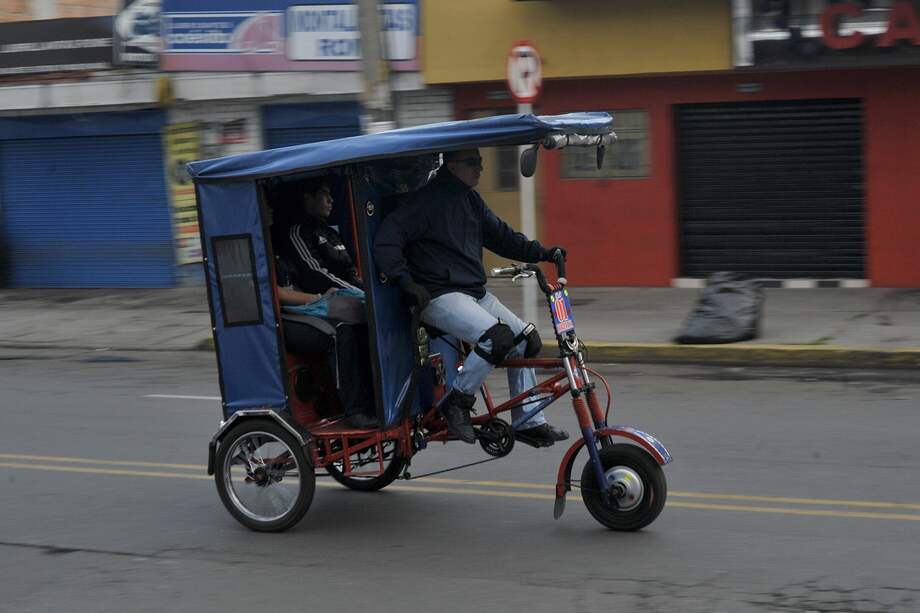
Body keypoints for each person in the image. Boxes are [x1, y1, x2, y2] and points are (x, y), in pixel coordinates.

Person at [373, 149, 570, 447]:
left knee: (525, 342)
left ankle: (528, 421)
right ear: (451, 167)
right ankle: (457, 402)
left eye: (480, 162)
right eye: (473, 163)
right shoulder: (425, 201)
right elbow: (386, 239)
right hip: (439, 294)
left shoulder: (470, 199)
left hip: (473, 292)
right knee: (496, 338)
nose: (480, 168)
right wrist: (406, 282)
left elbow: (501, 236)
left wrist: (542, 253)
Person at [273, 177, 377, 430]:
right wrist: (351, 293)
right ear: (307, 199)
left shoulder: (330, 233)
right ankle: (353, 409)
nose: (331, 200)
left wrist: (370, 292)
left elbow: (351, 272)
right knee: (340, 330)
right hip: (300, 311)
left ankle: (375, 398)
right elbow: (314, 274)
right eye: (323, 194)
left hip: (330, 300)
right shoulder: (297, 232)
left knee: (370, 324)